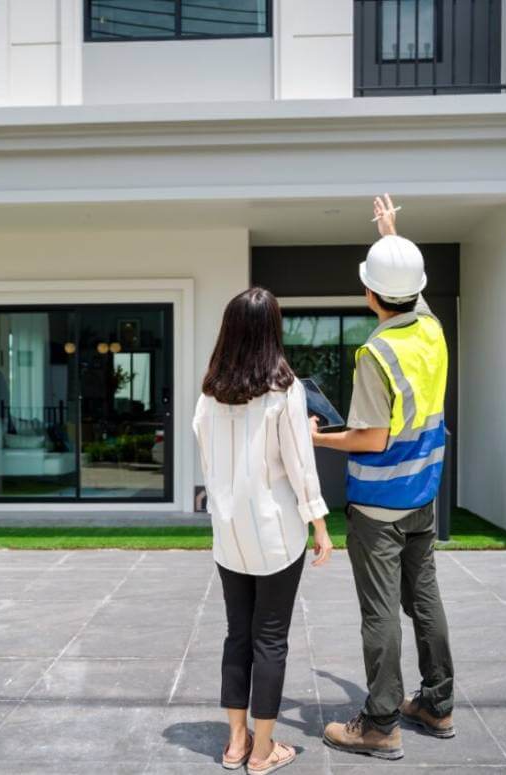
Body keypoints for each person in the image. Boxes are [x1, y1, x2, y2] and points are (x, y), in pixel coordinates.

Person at [310, 195, 455, 760]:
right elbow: (410, 291)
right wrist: (392, 237)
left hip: (379, 503)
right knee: (425, 600)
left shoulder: (377, 352)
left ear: (369, 295)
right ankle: (438, 705)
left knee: (379, 613)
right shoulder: (433, 330)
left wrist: (317, 436)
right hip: (423, 495)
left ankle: (380, 723)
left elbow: (370, 438)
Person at [192, 287, 333, 774]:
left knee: (237, 636)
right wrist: (320, 524)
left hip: (229, 534)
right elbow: (300, 465)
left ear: (229, 331)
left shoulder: (209, 393)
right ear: (272, 331)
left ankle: (235, 743)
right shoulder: (285, 391)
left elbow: (208, 461)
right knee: (270, 639)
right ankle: (262, 750)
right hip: (276, 534)